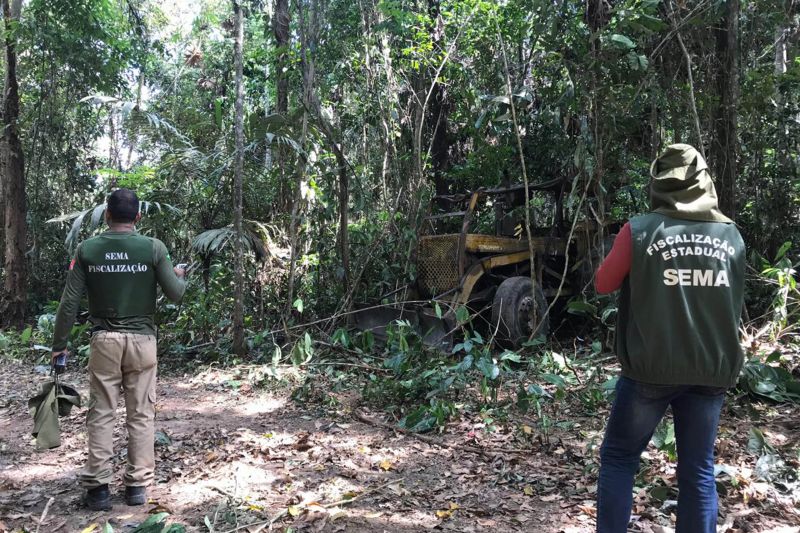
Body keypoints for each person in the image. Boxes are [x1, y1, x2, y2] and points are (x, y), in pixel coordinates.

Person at [594, 144, 745, 533]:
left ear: (657, 183)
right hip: (710, 369)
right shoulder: (731, 236)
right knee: (698, 470)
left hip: (651, 369)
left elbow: (602, 283)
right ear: (704, 181)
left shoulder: (639, 230)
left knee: (618, 459)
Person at [51, 188, 186, 511]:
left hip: (104, 342)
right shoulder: (153, 248)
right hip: (142, 342)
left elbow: (69, 303)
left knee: (101, 413)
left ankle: (98, 488)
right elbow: (176, 294)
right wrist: (178, 274)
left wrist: (59, 347)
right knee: (140, 413)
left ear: (107, 216)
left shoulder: (88, 250)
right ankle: (137, 487)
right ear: (137, 217)